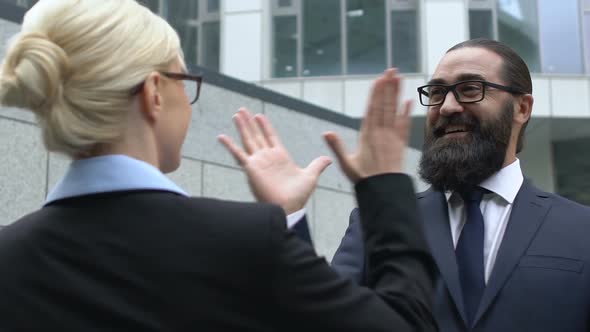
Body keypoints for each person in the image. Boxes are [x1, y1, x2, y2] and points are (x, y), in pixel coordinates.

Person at [0, 0, 437, 330]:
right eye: (184, 81)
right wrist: (384, 185)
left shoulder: (11, 258)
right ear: (154, 93)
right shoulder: (243, 242)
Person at [327, 38, 590, 331]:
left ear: (522, 108)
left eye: (470, 89)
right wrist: (288, 221)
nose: (447, 107)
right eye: (437, 93)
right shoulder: (376, 223)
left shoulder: (582, 229)